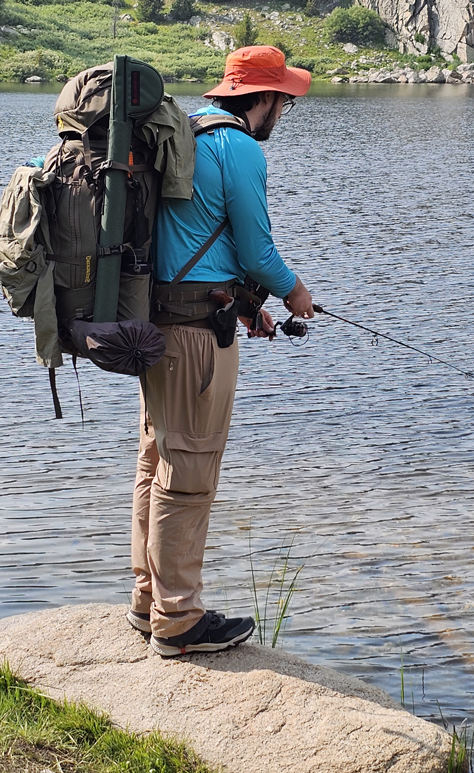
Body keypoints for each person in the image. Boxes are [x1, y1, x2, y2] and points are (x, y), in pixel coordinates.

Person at [126, 45, 315, 657]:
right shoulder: (239, 148)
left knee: (155, 460)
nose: (282, 113)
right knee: (191, 469)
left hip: (159, 325)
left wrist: (240, 305)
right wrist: (295, 294)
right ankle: (178, 621)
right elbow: (259, 252)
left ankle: (147, 598)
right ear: (259, 99)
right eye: (282, 101)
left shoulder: (188, 134)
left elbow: (193, 245)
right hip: (196, 341)